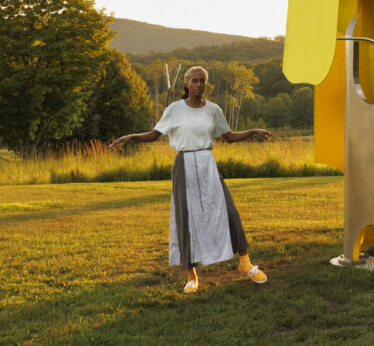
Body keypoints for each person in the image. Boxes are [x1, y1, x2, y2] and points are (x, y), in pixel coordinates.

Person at [110, 66, 273, 293]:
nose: (198, 84)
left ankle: (245, 264)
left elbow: (229, 137)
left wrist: (254, 131)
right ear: (186, 84)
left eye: (202, 81)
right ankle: (191, 276)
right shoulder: (174, 109)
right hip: (184, 165)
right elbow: (154, 134)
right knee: (185, 219)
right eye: (194, 81)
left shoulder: (213, 110)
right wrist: (133, 136)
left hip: (208, 164)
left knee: (229, 211)